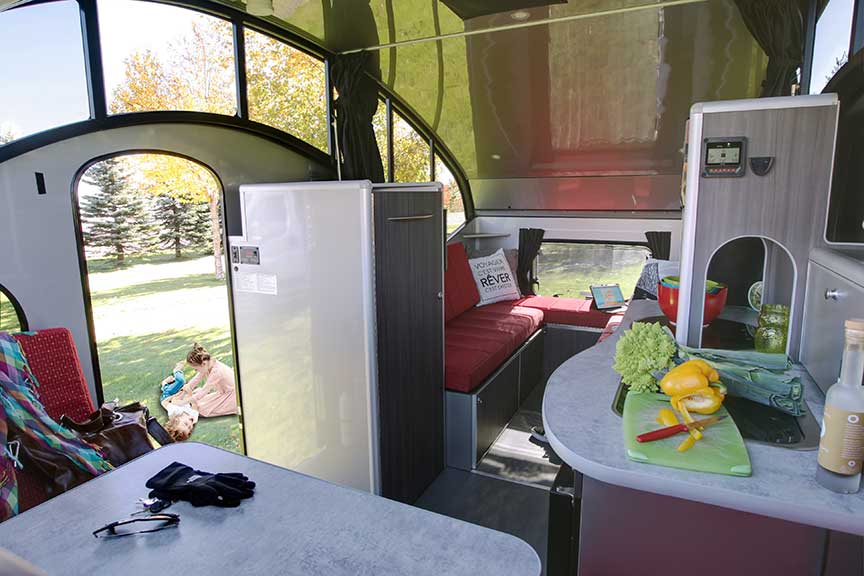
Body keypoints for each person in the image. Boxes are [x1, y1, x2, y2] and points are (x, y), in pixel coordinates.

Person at [164, 343, 237, 419]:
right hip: (223, 393)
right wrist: (182, 393)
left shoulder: (217, 372)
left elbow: (203, 392)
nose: (196, 371)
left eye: (196, 369)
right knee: (196, 401)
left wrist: (181, 403)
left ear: (203, 363)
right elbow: (195, 380)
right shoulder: (208, 364)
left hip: (232, 397)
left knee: (201, 409)